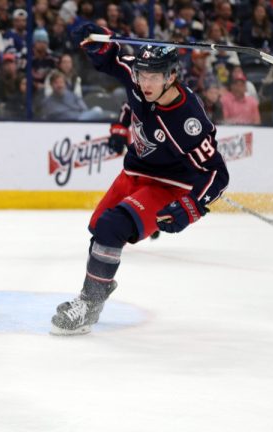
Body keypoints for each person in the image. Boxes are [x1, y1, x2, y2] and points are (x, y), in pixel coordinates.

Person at [50, 23, 229, 336]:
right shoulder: (139, 75)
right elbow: (112, 60)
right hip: (132, 173)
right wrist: (96, 40)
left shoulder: (188, 119)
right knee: (98, 231)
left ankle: (89, 304)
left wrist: (191, 206)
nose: (145, 82)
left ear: (171, 76)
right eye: (142, 75)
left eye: (153, 77)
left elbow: (217, 174)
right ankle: (98, 290)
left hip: (168, 185)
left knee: (111, 227)